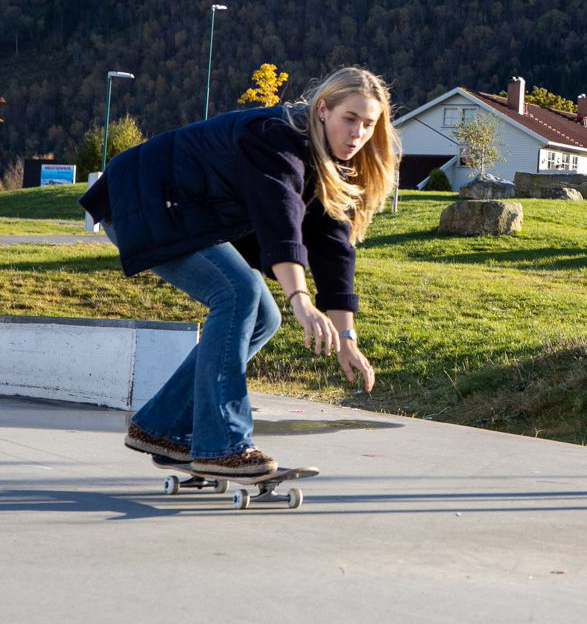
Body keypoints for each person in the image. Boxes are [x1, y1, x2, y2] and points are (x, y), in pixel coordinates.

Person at [80, 66, 398, 478]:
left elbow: (333, 248)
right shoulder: (276, 137)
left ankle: (161, 427)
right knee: (239, 292)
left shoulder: (332, 162)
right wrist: (300, 298)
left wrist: (347, 339)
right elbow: (279, 217)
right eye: (350, 119)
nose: (357, 133)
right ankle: (222, 445)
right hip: (143, 202)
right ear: (323, 110)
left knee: (263, 316)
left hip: (186, 214)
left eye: (368, 124)